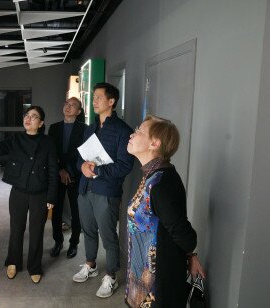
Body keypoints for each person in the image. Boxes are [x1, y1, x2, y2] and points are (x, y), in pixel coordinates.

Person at [125, 115, 205, 307]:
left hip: (158, 284)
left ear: (154, 143)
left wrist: (191, 254)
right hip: (143, 277)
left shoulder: (162, 183)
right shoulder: (152, 175)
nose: (132, 134)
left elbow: (183, 233)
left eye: (139, 131)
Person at [0, 106, 58, 284]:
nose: (28, 118)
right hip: (19, 192)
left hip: (40, 193)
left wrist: (51, 197)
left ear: (41, 123)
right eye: (27, 115)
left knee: (36, 231)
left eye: (34, 116)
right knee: (16, 229)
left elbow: (53, 170)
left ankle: (35, 267)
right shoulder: (16, 139)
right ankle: (13, 261)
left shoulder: (48, 142)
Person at [72, 83, 135, 298]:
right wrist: (81, 165)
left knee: (108, 235)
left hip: (106, 191)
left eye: (99, 97)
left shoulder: (123, 130)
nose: (94, 100)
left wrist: (97, 170)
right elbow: (81, 154)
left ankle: (111, 275)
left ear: (111, 101)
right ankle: (90, 265)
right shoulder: (90, 128)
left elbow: (125, 165)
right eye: (94, 97)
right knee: (87, 229)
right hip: (85, 187)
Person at [48, 97, 87, 259]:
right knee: (55, 210)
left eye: (73, 105)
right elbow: (51, 153)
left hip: (75, 175)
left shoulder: (84, 129)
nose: (68, 107)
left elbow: (82, 153)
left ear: (78, 112)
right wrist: (61, 170)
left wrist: (69, 170)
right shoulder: (54, 128)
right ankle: (58, 241)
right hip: (57, 175)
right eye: (66, 104)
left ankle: (74, 243)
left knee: (76, 211)